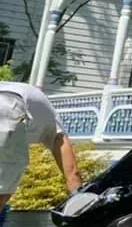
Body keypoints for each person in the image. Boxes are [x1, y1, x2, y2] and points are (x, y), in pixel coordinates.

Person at [0, 82, 82, 210]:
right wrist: (79, 202)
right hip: (11, 107)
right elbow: (72, 172)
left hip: (11, 99)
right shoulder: (56, 129)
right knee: (2, 192)